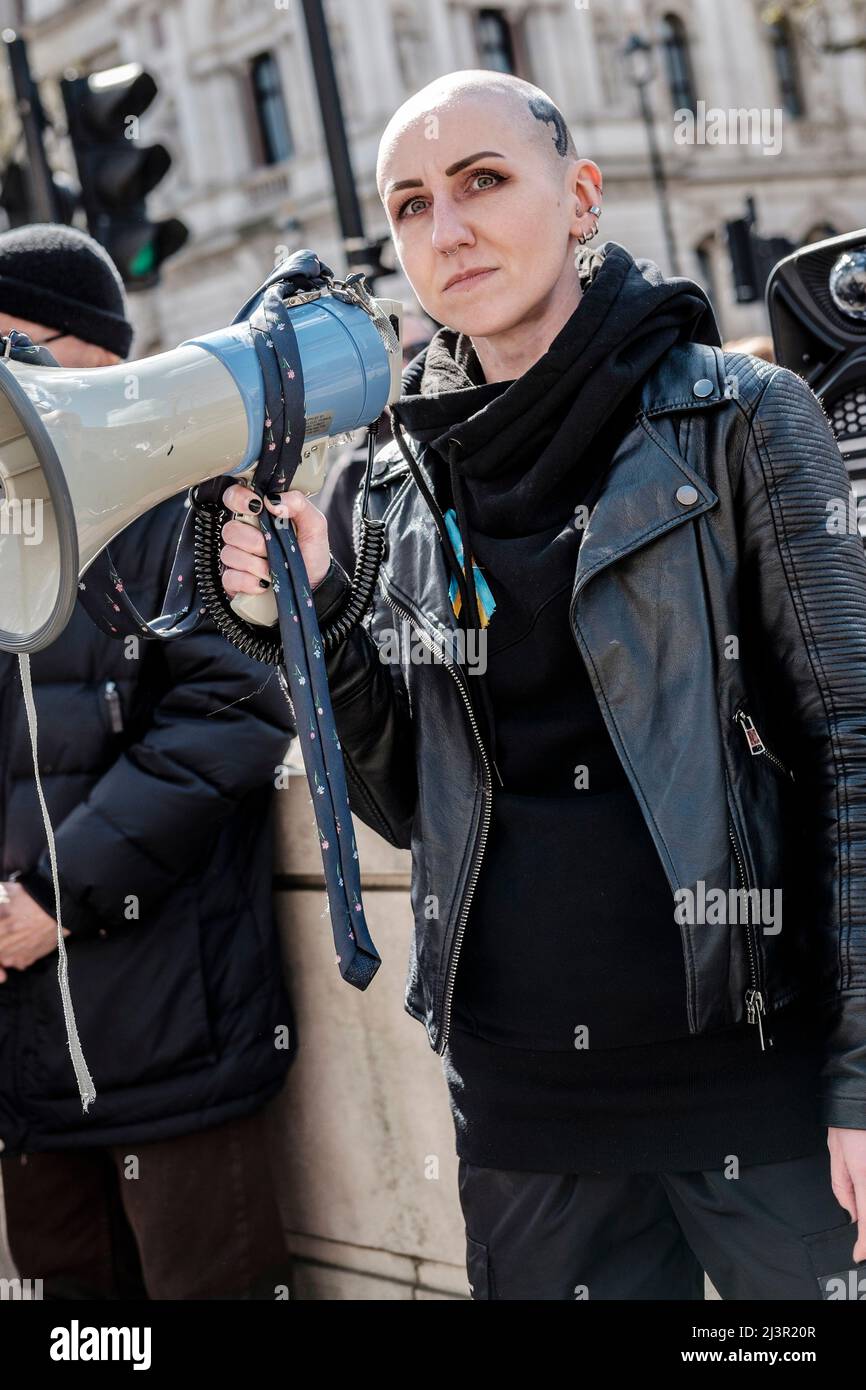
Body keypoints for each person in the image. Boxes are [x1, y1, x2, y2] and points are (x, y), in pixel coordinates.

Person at [218, 71, 866, 1301]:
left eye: (480, 182)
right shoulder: (390, 485)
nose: (446, 228)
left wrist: (859, 1079)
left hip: (755, 1084)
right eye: (410, 204)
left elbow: (850, 741)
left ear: (579, 198)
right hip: (522, 1110)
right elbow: (416, 807)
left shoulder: (739, 415)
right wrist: (318, 621)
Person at [0, 224, 297, 1300]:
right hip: (27, 1074)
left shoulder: (192, 507)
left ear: (95, 355)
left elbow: (234, 715)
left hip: (173, 1041)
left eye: (9, 342)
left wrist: (52, 897)